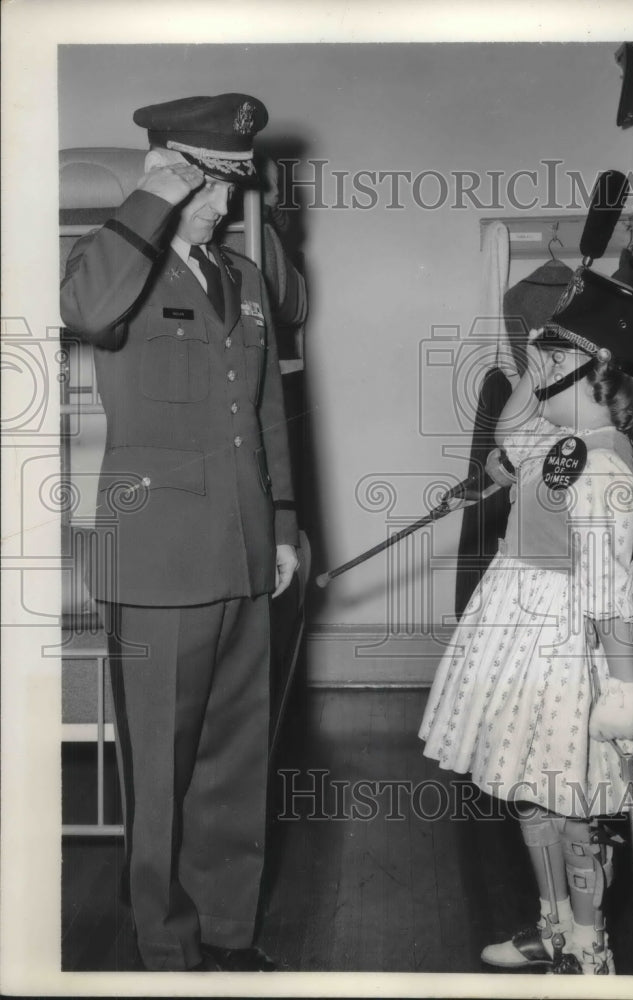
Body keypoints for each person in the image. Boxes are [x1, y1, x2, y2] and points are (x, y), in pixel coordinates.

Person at [60, 93, 299, 972]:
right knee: (158, 767)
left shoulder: (243, 278)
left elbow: (270, 410)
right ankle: (165, 945)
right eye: (208, 184)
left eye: (231, 187)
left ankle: (228, 929)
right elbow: (85, 314)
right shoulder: (118, 261)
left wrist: (281, 525)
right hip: (157, 560)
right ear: (167, 170)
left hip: (242, 551)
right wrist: (150, 201)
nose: (226, 203)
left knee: (235, 760)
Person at [419, 265, 633, 974]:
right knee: (530, 791)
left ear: (597, 377)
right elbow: (513, 430)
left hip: (576, 654)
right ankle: (551, 923)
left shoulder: (604, 470)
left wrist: (624, 690)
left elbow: (609, 592)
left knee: (575, 812)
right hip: (521, 641)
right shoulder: (565, 447)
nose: (536, 378)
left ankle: (589, 944)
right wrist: (533, 375)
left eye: (552, 362)